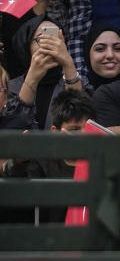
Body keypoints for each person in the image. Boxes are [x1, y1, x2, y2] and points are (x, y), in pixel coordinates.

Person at [0, 89, 96, 223]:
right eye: (74, 130)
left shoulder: (102, 164)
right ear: (55, 132)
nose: (82, 135)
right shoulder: (42, 162)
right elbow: (14, 191)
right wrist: (19, 160)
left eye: (87, 129)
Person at [5, 16, 83, 129]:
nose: (50, 45)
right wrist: (33, 76)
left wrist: (68, 64)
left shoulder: (75, 82)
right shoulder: (9, 88)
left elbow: (78, 121)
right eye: (41, 40)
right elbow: (14, 126)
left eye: (55, 39)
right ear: (26, 46)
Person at [81, 22, 120, 92]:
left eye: (117, 48)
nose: (110, 55)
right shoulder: (76, 96)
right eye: (100, 49)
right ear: (88, 55)